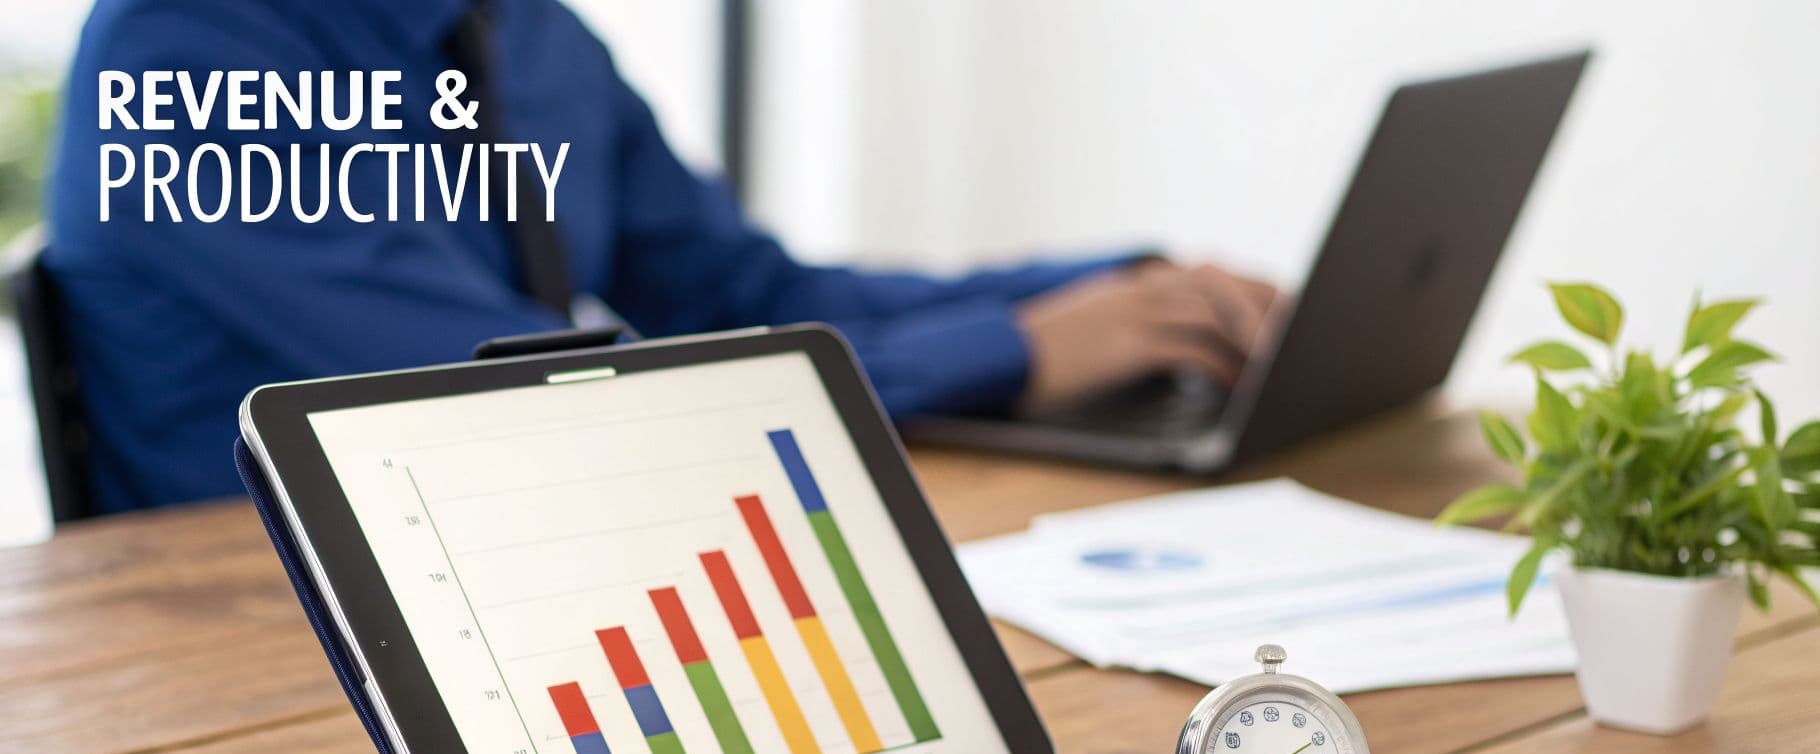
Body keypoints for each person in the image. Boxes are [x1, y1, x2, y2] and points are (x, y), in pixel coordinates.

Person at [47, 0, 1274, 512]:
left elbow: (750, 297)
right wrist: (1009, 351)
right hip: (267, 640)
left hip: (545, 543)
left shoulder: (531, 33)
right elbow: (521, 391)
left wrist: (1122, 293)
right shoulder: (186, 48)